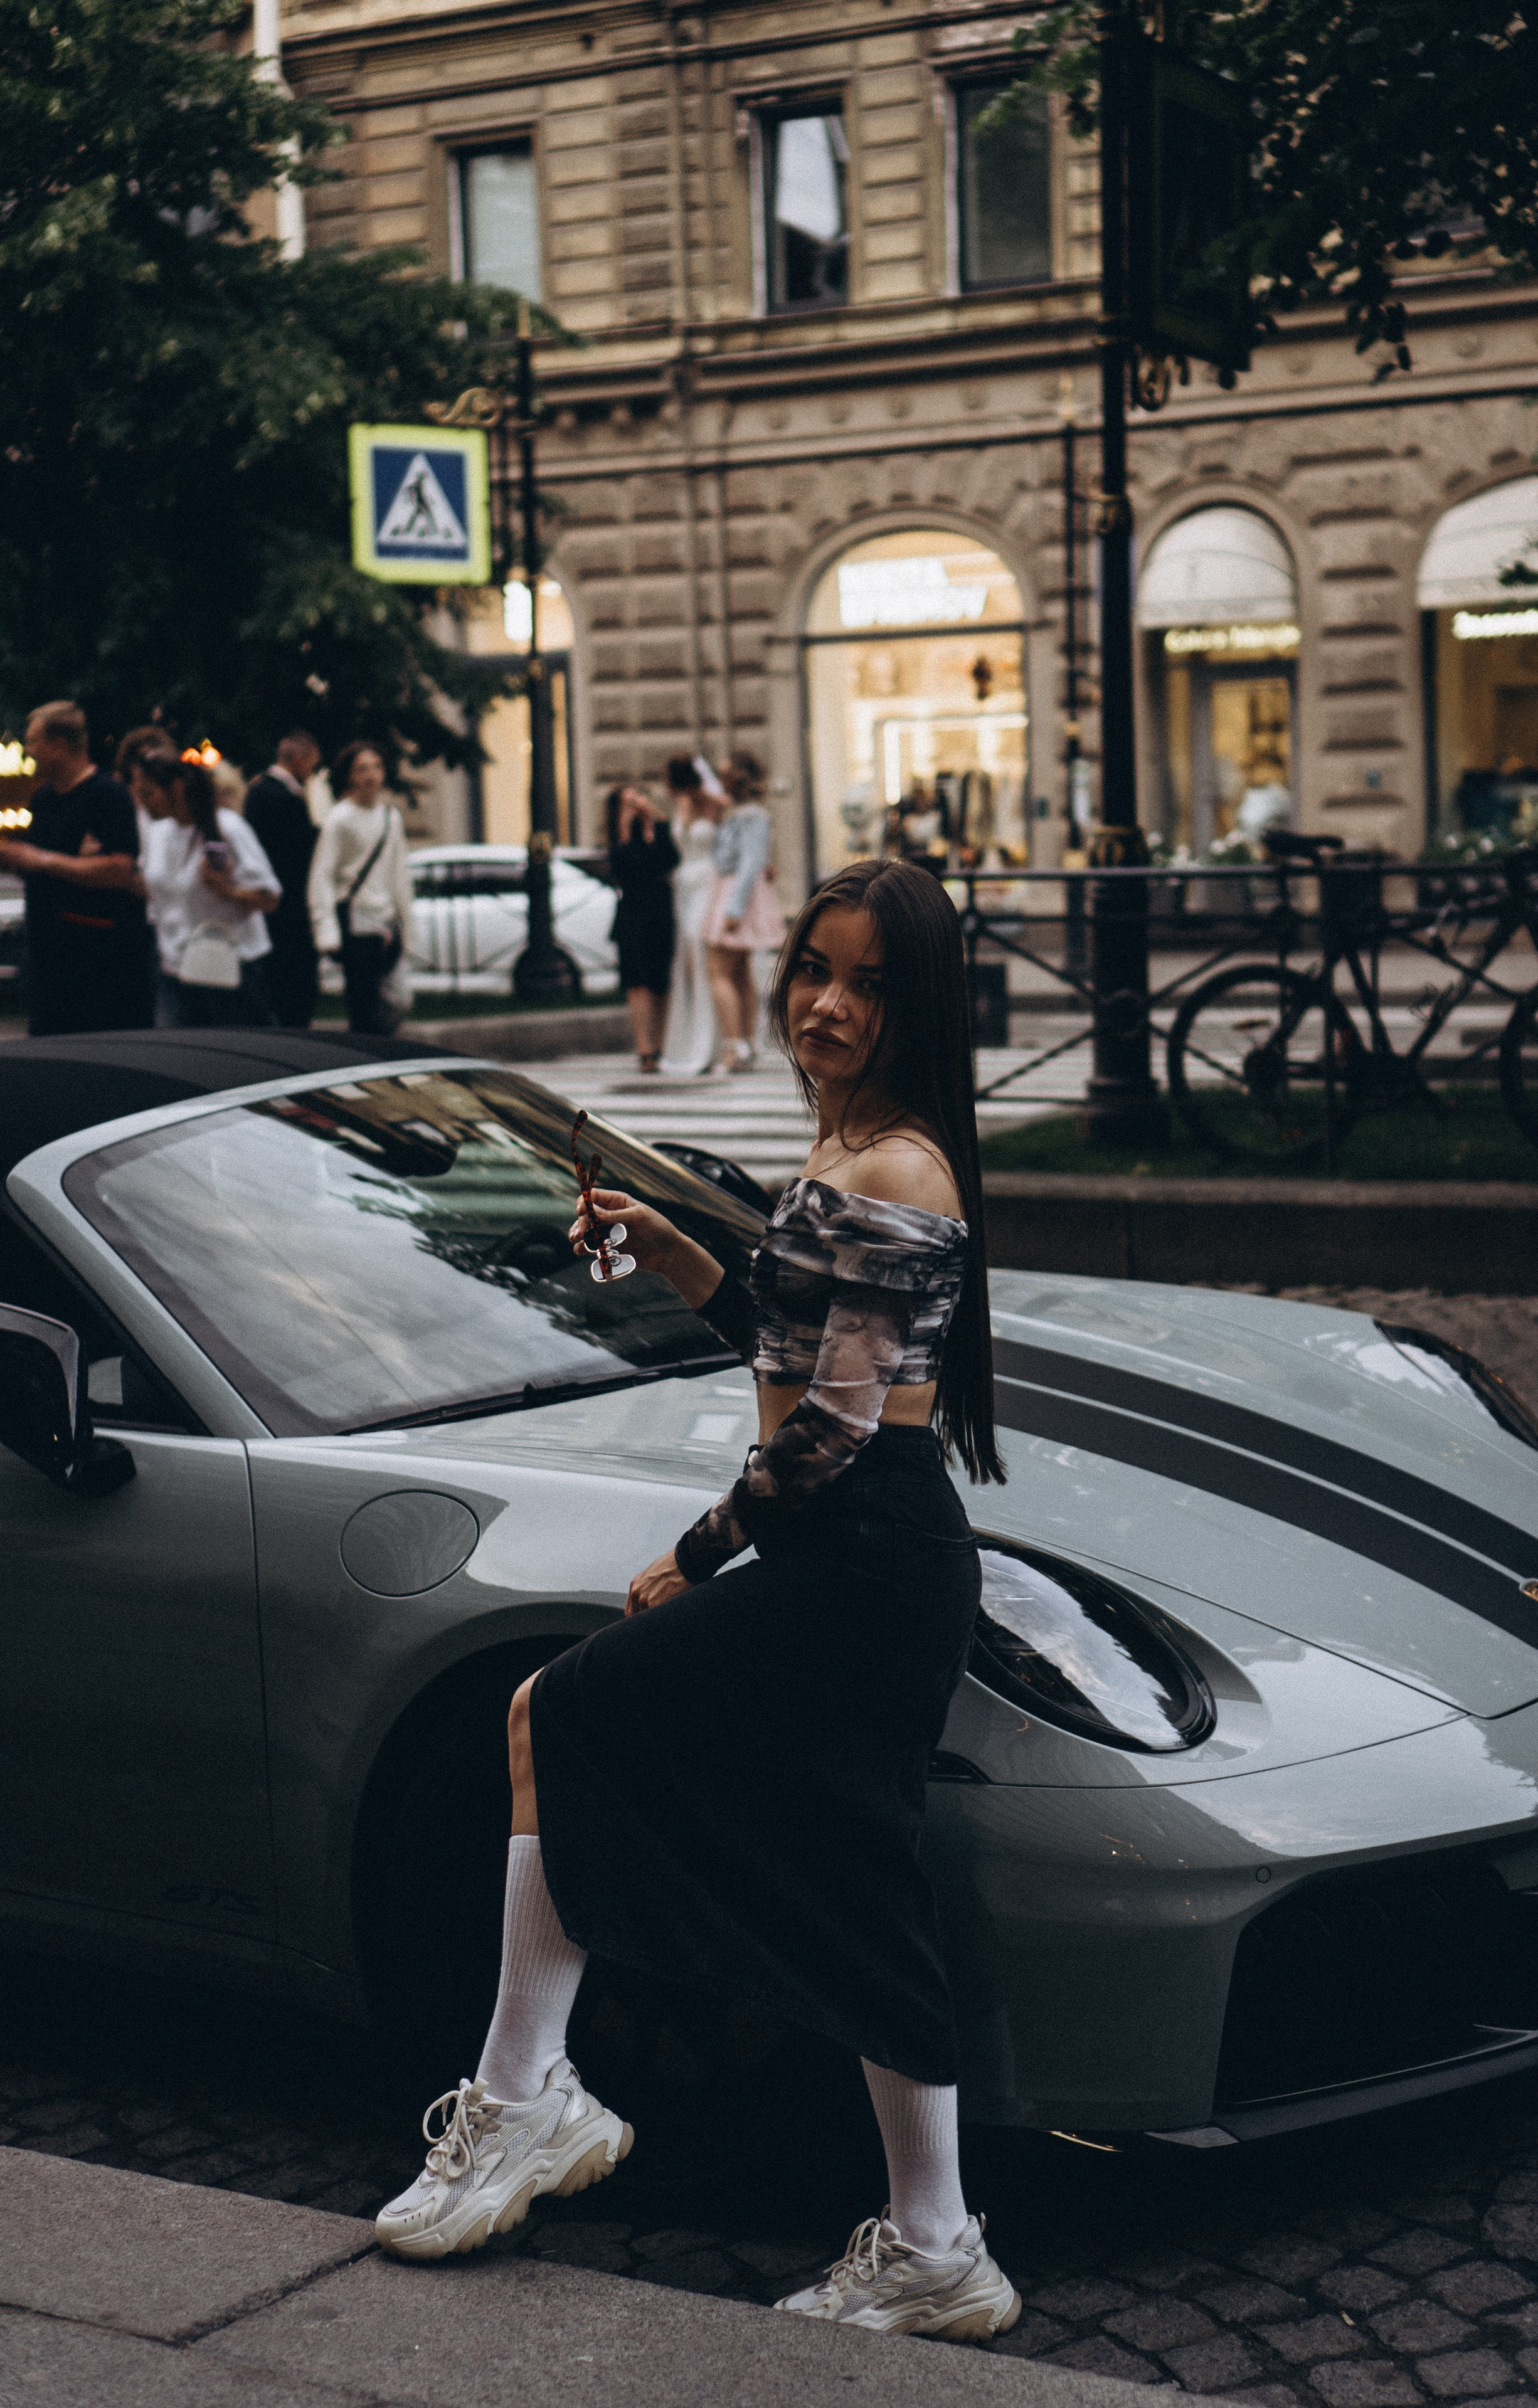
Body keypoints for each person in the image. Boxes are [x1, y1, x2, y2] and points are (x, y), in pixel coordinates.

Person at [376, 857, 1022, 2347]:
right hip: (850, 1558)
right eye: (812, 967)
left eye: (867, 981)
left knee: (564, 1704)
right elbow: (793, 1348)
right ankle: (933, 2243)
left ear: (914, 1004)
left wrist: (701, 1548)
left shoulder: (899, 1168)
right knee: (855, 1883)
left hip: (858, 1558)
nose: (824, 1001)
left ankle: (526, 2095)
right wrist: (676, 1253)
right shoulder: (852, 1150)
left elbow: (840, 1421)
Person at [0, 700, 152, 1036]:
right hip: (47, 957)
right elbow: (37, 862)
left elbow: (121, 870)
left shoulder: (107, 795)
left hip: (99, 959)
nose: (28, 750)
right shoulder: (43, 798)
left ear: (60, 745)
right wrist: (18, 858)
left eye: (34, 741)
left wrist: (42, 860)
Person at [130, 749, 281, 1028]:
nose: (143, 802)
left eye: (149, 793)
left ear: (175, 788)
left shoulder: (227, 827)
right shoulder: (159, 834)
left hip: (229, 970)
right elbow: (155, 891)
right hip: (173, 967)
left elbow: (270, 898)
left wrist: (227, 891)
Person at [308, 741, 412, 1038]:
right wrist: (326, 929)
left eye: (376, 767)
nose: (371, 775)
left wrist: (407, 923)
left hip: (387, 920)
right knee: (363, 1004)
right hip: (357, 921)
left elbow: (399, 874)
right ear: (350, 776)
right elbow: (322, 876)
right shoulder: (340, 819)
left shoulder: (391, 818)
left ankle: (378, 1051)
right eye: (362, 768)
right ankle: (367, 1060)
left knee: (400, 998)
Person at [706, 748, 785, 1075]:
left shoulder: (750, 815)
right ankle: (747, 1043)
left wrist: (734, 909)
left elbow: (748, 862)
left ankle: (734, 1045)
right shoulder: (744, 813)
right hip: (738, 891)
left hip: (736, 894)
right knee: (738, 972)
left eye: (725, 775)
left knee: (719, 971)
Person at [245, 732, 323, 1030]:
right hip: (290, 901)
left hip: (270, 902)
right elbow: (301, 851)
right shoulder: (287, 798)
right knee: (294, 981)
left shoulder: (257, 789)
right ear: (300, 760)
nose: (312, 773)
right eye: (312, 765)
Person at [605, 783, 679, 1073]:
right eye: (627, 802)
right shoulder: (618, 838)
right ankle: (644, 1049)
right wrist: (624, 829)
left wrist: (654, 820)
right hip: (632, 916)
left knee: (660, 983)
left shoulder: (656, 830)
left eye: (637, 799)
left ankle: (660, 1046)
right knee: (637, 983)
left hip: (660, 912)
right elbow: (623, 871)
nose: (635, 806)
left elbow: (672, 859)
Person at [658, 755, 723, 1075]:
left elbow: (716, 832)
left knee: (703, 955)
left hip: (707, 881)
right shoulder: (681, 803)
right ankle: (694, 1038)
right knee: (688, 958)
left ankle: (715, 1041)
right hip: (685, 885)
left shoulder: (711, 802)